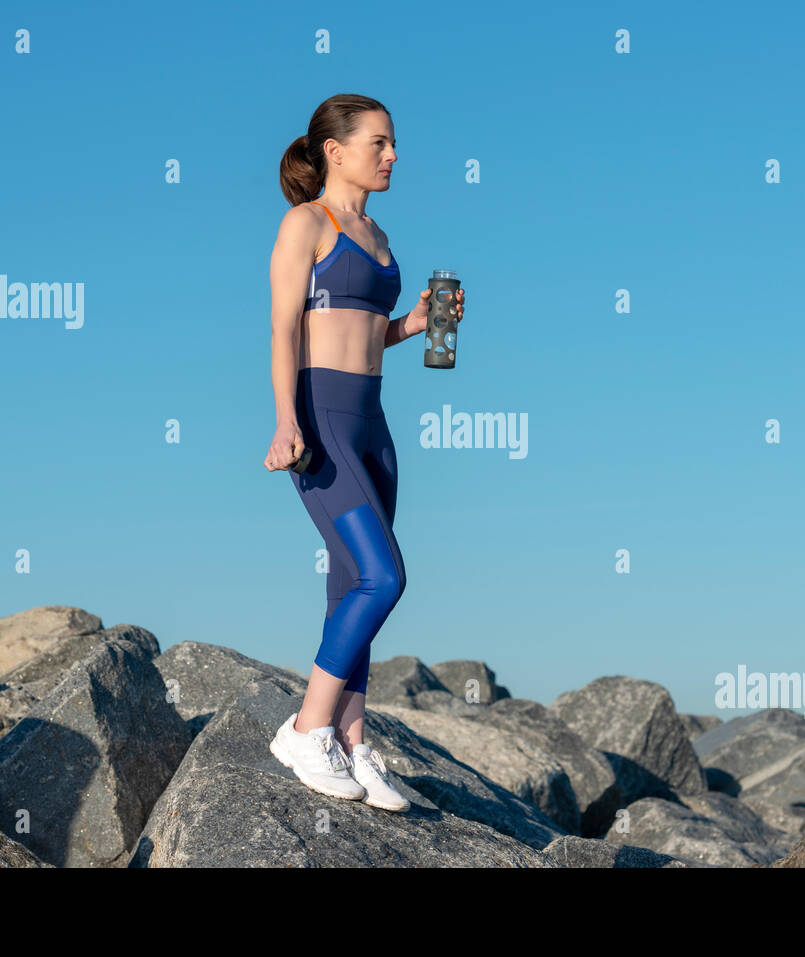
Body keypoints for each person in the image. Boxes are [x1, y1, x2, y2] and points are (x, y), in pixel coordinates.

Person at [263, 94, 466, 811]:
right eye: (378, 142)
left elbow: (359, 333)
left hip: (373, 424)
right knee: (384, 577)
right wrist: (286, 421)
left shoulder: (378, 237)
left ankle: (352, 739)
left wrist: (413, 323)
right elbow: (287, 328)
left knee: (351, 582)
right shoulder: (305, 224)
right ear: (335, 151)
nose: (393, 154)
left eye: (393, 142)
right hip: (320, 420)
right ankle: (305, 727)